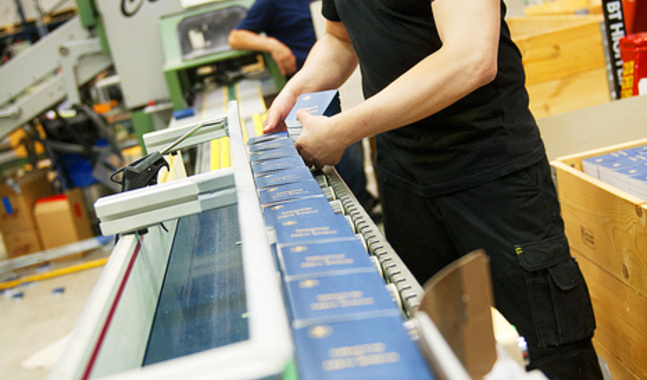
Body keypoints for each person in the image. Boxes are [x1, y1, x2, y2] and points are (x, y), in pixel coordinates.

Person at [262, 0, 604, 379]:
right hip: (406, 184)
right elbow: (340, 39)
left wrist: (344, 129)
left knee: (545, 355)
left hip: (490, 180)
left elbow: (470, 57)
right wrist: (295, 92)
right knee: (445, 353)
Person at [229, 0, 378, 214]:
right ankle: (346, 209)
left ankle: (364, 202)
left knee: (352, 147)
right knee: (334, 157)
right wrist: (275, 46)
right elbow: (236, 37)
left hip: (342, 78)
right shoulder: (270, 3)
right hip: (310, 90)